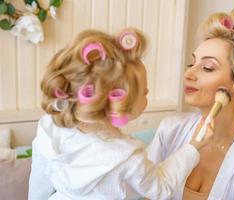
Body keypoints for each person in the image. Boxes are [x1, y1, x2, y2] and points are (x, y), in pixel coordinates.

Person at [28, 28, 208, 200]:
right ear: (119, 102)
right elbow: (160, 187)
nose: (148, 92)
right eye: (144, 92)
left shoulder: (49, 128)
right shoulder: (126, 156)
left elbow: (38, 184)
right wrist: (193, 146)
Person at [147, 10, 234, 200]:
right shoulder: (170, 130)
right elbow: (144, 192)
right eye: (192, 63)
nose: (188, 74)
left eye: (207, 67)